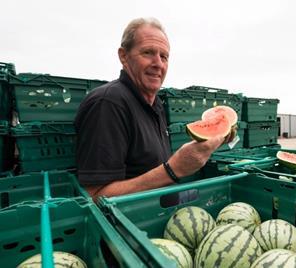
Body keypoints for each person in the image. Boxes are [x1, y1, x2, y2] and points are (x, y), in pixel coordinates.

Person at [75, 17, 233, 201]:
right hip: (134, 222)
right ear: (123, 56)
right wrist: (173, 169)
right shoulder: (108, 103)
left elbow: (150, 166)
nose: (158, 63)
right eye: (148, 52)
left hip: (166, 205)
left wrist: (206, 146)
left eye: (164, 56)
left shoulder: (155, 103)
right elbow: (94, 196)